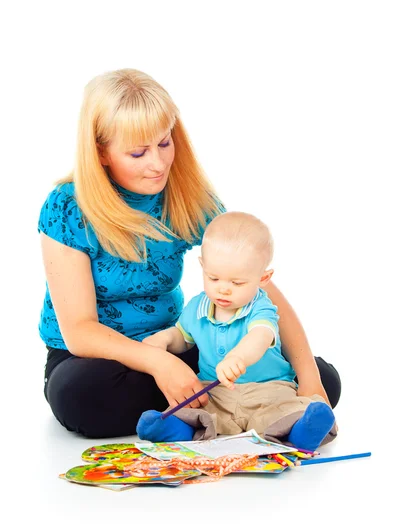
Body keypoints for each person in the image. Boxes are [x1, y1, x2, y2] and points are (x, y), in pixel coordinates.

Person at [38, 68, 341, 439]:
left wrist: (311, 382)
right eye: (138, 152)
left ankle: (196, 411)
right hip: (96, 361)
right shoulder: (67, 207)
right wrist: (159, 364)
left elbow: (256, 286)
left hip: (179, 343)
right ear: (100, 152)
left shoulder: (185, 195)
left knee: (325, 377)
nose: (158, 163)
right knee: (80, 396)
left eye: (164, 143)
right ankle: (237, 406)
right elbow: (80, 331)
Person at [137, 212, 338, 451]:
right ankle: (172, 428)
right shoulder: (197, 306)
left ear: (263, 278)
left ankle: (303, 432)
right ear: (202, 266)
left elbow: (261, 336)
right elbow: (184, 337)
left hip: (267, 390)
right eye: (213, 278)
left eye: (237, 283)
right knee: (195, 410)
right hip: (216, 391)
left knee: (287, 410)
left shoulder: (261, 307)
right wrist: (165, 339)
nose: (223, 289)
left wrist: (238, 357)